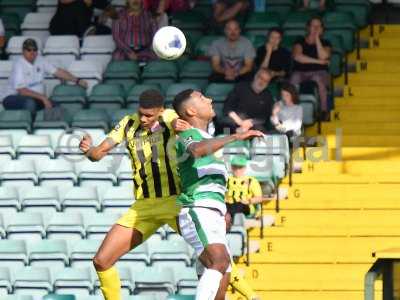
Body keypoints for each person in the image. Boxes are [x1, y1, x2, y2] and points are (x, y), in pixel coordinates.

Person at [79, 89, 259, 300]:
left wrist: (176, 126)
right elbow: (98, 153)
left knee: (214, 256)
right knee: (101, 260)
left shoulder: (171, 117)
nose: (144, 119)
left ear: (161, 111)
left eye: (150, 115)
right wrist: (88, 150)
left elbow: (185, 127)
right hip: (144, 206)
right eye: (141, 114)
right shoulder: (128, 123)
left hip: (176, 201)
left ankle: (251, 295)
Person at [173, 88, 263, 300]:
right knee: (220, 261)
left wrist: (224, 209)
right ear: (191, 110)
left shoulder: (207, 137)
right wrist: (234, 136)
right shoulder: (187, 135)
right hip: (197, 209)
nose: (210, 99)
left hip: (214, 213)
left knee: (223, 280)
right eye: (203, 98)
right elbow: (196, 150)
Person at [2, 38, 88, 116]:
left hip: (35, 98)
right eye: (28, 50)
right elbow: (22, 91)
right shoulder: (19, 64)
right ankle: (30, 130)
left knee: (56, 107)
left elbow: (58, 72)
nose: (32, 52)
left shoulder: (40, 60)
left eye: (34, 49)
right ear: (23, 51)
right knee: (30, 104)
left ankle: (48, 129)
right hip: (11, 98)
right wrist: (43, 98)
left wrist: (77, 80)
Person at [290, 17, 331, 121]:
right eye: (313, 26)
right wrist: (319, 62)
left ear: (322, 29)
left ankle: (323, 110)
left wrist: (317, 39)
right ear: (308, 28)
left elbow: (324, 56)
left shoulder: (325, 43)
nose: (316, 28)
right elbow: (297, 57)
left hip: (319, 72)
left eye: (319, 26)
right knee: (294, 78)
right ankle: (291, 109)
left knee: (319, 79)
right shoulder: (300, 41)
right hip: (300, 72)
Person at [221, 68, 274, 134]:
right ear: (255, 76)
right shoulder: (240, 87)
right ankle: (225, 141)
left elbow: (265, 117)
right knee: (225, 127)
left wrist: (250, 123)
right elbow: (227, 108)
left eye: (266, 81)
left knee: (261, 131)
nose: (262, 82)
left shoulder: (268, 96)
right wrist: (240, 122)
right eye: (261, 78)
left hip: (253, 125)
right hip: (235, 121)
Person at [225, 155, 263, 227]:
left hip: (244, 205)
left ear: (244, 168)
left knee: (237, 206)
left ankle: (230, 224)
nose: (237, 170)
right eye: (235, 167)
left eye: (240, 167)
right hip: (228, 205)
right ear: (232, 167)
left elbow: (259, 198)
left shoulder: (251, 181)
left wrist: (249, 201)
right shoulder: (226, 180)